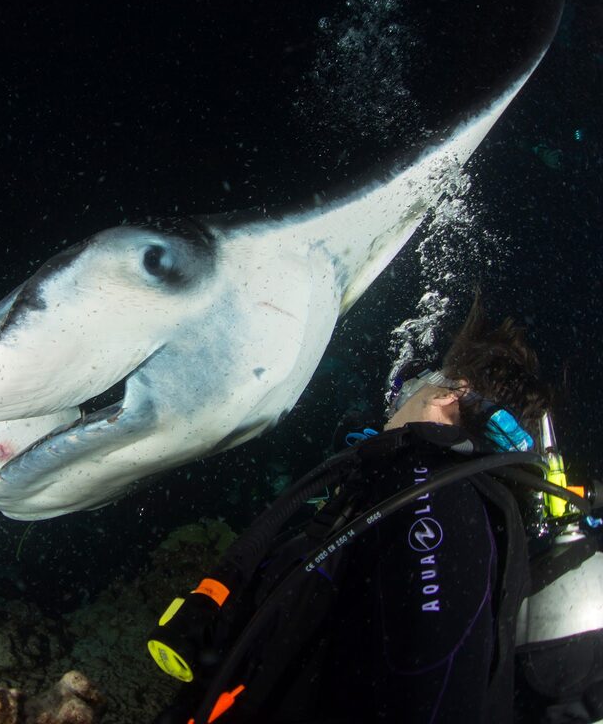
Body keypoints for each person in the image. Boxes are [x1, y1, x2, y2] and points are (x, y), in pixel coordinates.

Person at [149, 294, 603, 723]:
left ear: (451, 393)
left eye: (415, 383)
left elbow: (436, 694)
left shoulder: (432, 491)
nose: (396, 398)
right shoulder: (406, 493)